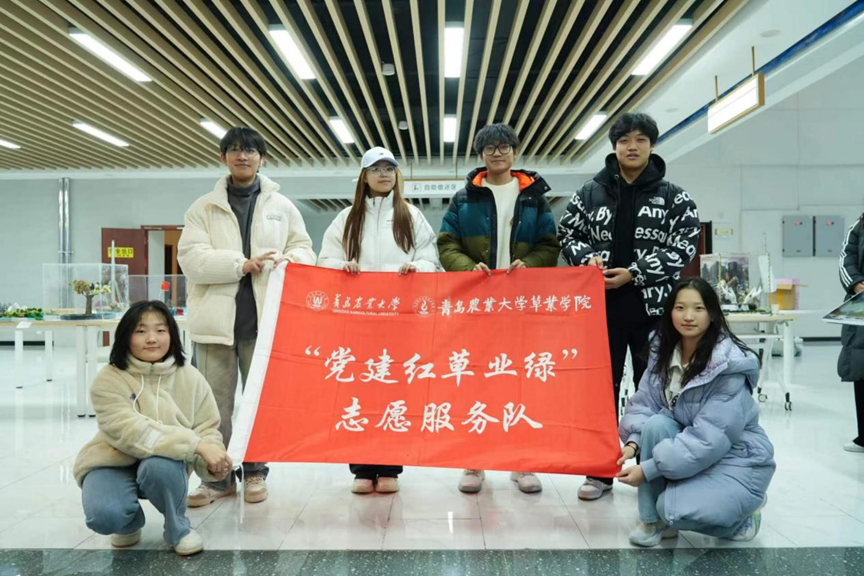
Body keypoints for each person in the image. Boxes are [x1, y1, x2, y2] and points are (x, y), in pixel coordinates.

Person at [557, 112, 700, 500]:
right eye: (624, 140)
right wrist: (586, 258)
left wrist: (635, 273)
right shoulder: (590, 192)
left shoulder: (674, 197)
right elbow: (567, 233)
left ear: (652, 145)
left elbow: (684, 245)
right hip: (598, 312)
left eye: (640, 140)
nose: (632, 147)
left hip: (653, 313)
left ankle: (651, 472)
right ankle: (598, 472)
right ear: (614, 146)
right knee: (598, 393)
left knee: (653, 393)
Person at [178, 126, 316, 507]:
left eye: (251, 150)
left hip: (264, 325)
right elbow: (191, 259)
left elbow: (305, 249)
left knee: (259, 405)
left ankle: (255, 471)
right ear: (223, 157)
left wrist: (289, 260)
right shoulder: (202, 208)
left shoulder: (282, 207)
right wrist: (241, 264)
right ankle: (216, 479)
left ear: (262, 159)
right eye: (235, 150)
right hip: (214, 327)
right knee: (212, 409)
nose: (243, 156)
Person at [437, 123, 560, 494]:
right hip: (477, 306)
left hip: (520, 305)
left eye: (504, 146)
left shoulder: (533, 197)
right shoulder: (464, 198)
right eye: (489, 148)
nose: (497, 153)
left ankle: (523, 462)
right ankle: (474, 461)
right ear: (480, 155)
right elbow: (446, 244)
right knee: (475, 381)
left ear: (515, 152)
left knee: (520, 382)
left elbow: (549, 244)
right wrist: (467, 269)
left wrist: (531, 265)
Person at [616, 278, 775, 547]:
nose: (688, 316)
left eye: (698, 308)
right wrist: (633, 443)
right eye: (680, 308)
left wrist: (648, 469)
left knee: (674, 509)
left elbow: (708, 439)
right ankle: (652, 521)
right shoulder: (663, 349)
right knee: (656, 424)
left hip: (735, 457)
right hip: (692, 451)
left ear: (712, 313)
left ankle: (743, 517)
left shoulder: (728, 365)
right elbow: (645, 402)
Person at [318, 146, 440, 494]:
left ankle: (390, 468)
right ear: (364, 176)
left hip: (399, 322)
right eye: (376, 168)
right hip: (357, 321)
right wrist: (342, 267)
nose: (384, 174)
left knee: (395, 391)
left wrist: (416, 268)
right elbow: (325, 259)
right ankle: (361, 468)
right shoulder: (346, 218)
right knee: (358, 392)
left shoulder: (411, 216)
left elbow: (431, 259)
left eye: (389, 168)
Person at [73, 301, 230, 556]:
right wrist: (196, 446)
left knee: (160, 466)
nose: (152, 339)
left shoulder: (190, 376)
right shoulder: (108, 378)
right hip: (111, 462)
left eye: (160, 330)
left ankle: (178, 529)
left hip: (163, 465)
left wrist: (211, 462)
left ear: (172, 335)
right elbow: (132, 432)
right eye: (141, 331)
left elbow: (208, 428)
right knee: (104, 516)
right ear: (126, 336)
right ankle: (127, 523)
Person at [838, 215, 864, 452]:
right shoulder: (859, 225)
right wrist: (856, 283)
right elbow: (846, 258)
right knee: (861, 368)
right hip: (862, 303)